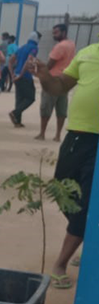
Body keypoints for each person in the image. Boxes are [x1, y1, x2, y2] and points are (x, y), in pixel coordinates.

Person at [31, 42, 99, 289]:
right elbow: (59, 87)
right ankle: (88, 234)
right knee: (62, 190)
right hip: (77, 137)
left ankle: (61, 262)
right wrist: (45, 76)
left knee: (87, 201)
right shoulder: (87, 53)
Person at [36, 24, 76, 142]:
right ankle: (58, 135)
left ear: (64, 32)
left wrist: (41, 70)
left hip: (53, 80)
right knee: (61, 108)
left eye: (56, 32)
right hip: (64, 80)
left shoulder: (60, 46)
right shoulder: (71, 44)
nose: (54, 35)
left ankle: (42, 134)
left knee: (46, 107)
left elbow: (50, 65)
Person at [8, 31, 41, 127]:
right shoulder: (34, 48)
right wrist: (21, 74)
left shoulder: (22, 47)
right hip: (25, 76)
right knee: (30, 98)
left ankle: (17, 121)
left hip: (17, 75)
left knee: (19, 98)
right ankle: (15, 113)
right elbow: (29, 60)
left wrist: (12, 74)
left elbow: (10, 61)